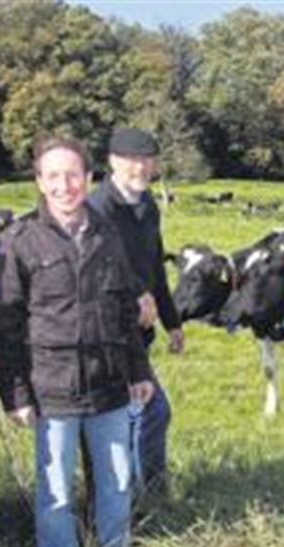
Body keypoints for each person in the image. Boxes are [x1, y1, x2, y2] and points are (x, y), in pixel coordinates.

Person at [0, 135, 154, 547]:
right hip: (51, 389)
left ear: (89, 178)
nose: (65, 185)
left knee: (116, 484)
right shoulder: (16, 240)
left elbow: (124, 309)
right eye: (54, 176)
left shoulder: (107, 234)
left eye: (73, 175)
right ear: (40, 182)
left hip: (110, 384)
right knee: (56, 492)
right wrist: (15, 392)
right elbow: (4, 324)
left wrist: (138, 371)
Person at [88, 127, 183, 496]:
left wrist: (173, 321)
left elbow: (155, 266)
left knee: (138, 415)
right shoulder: (99, 207)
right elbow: (100, 268)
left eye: (148, 159)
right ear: (112, 161)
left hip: (138, 333)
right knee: (152, 412)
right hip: (108, 333)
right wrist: (136, 292)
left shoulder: (147, 206)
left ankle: (138, 495)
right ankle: (143, 496)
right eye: (132, 160)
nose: (141, 168)